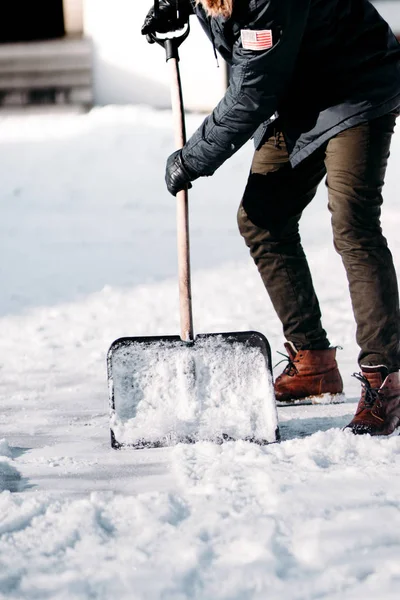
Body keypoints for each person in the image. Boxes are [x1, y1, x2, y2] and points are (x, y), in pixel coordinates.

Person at [141, 0, 400, 436]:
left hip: (356, 86)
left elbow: (253, 92)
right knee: (262, 218)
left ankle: (385, 379)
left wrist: (193, 158)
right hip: (296, 91)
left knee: (353, 225)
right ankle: (314, 361)